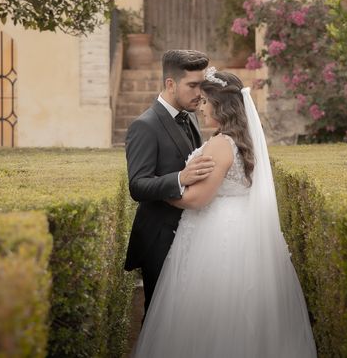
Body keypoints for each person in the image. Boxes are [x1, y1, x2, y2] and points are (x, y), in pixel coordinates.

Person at [133, 68, 318, 357]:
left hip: (217, 234)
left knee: (211, 310)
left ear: (221, 105)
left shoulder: (221, 144)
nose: (201, 106)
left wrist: (167, 189)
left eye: (206, 101)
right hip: (241, 228)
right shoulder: (243, 140)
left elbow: (198, 199)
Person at [124, 49, 217, 315]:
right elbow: (137, 185)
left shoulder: (193, 117)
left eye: (202, 85)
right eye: (192, 85)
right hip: (160, 239)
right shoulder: (144, 126)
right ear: (170, 84)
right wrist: (179, 178)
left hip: (191, 234)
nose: (200, 93)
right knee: (159, 318)